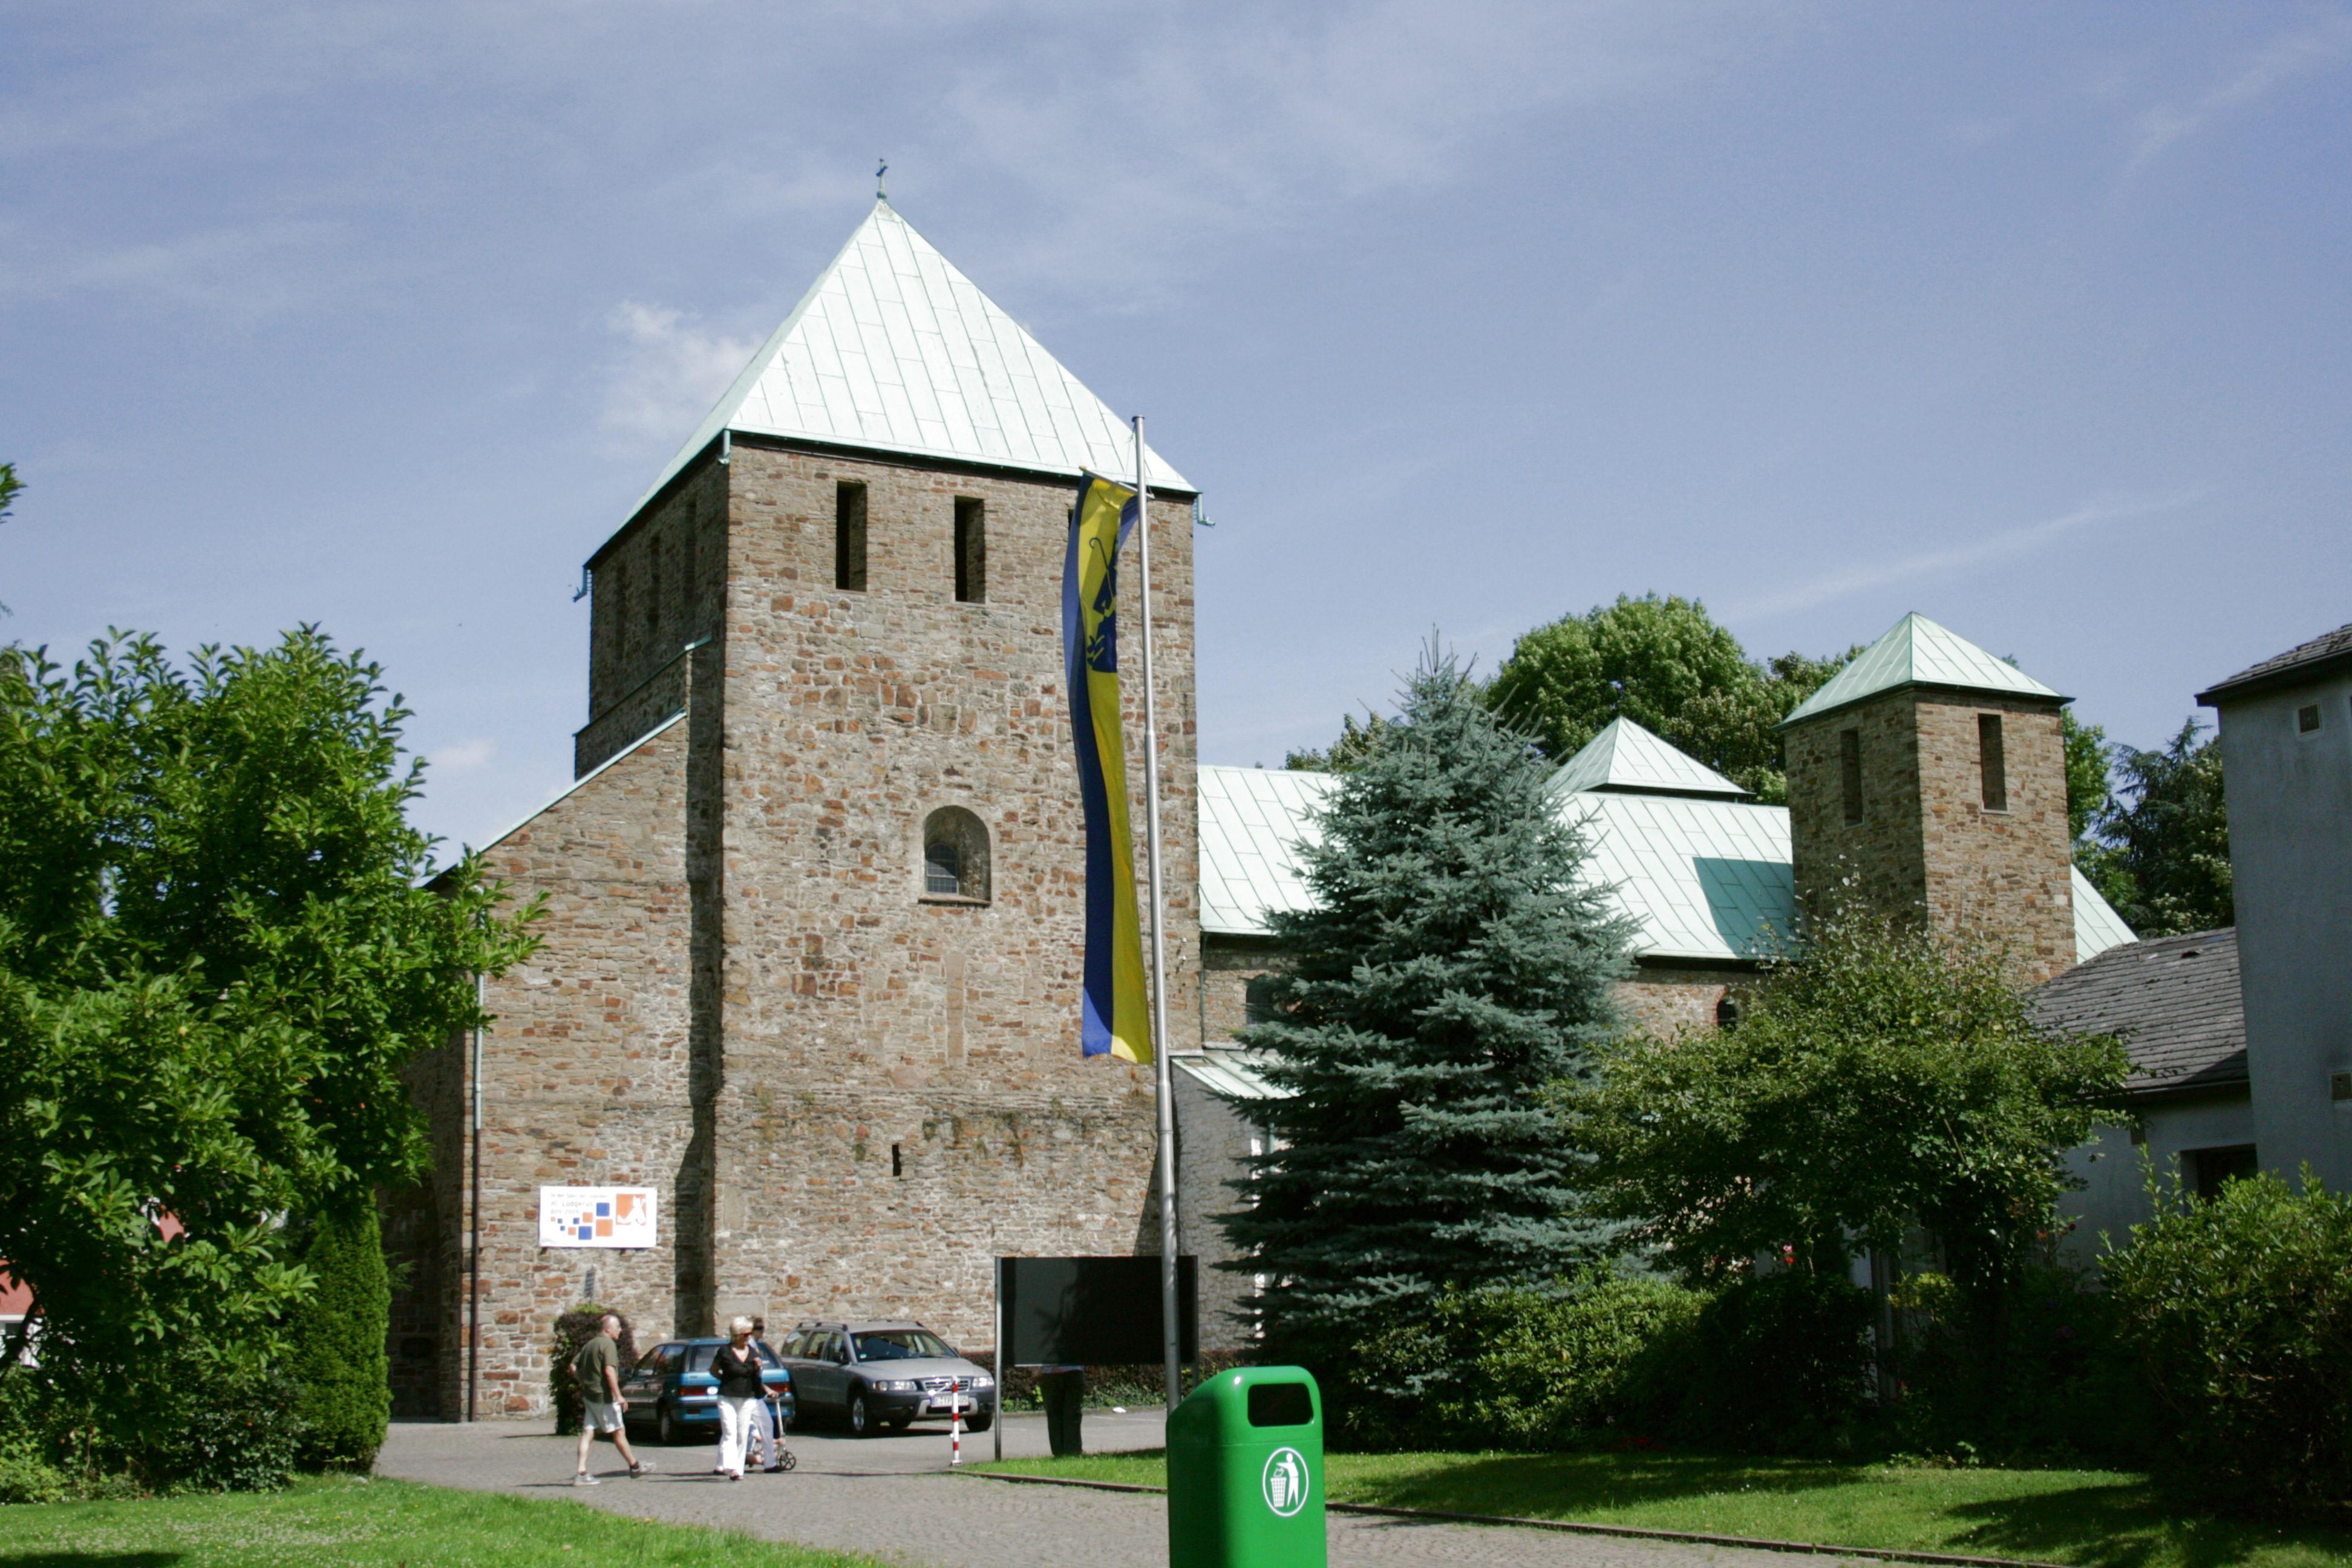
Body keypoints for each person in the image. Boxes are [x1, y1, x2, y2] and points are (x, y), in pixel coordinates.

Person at [572, 1313, 652, 1486]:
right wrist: (619, 1396)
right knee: (619, 1432)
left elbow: (572, 1367)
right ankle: (635, 1466)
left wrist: (585, 1382)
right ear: (608, 1329)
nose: (620, 1330)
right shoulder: (608, 1345)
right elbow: (609, 1372)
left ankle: (581, 1472)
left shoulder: (589, 1345)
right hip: (604, 1397)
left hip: (590, 1396)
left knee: (588, 1432)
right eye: (617, 1327)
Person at [710, 1315, 767, 1481]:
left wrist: (758, 1367)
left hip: (747, 1397)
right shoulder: (725, 1352)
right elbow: (713, 1370)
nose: (749, 1337)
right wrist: (725, 1380)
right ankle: (730, 1466)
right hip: (727, 1397)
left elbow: (757, 1375)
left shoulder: (754, 1352)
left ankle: (738, 1470)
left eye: (750, 1334)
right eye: (746, 1334)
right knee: (730, 1432)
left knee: (742, 1434)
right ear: (737, 1335)